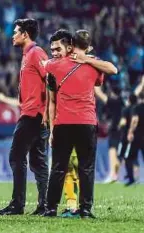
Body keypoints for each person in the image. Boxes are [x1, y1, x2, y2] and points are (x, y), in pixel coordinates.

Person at [46, 29, 118, 217]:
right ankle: (86, 209)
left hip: (63, 123)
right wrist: (87, 59)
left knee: (58, 167)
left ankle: (50, 208)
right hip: (86, 122)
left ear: (70, 46)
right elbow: (111, 71)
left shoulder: (56, 65)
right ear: (89, 46)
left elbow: (45, 66)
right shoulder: (94, 66)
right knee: (86, 167)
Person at [0, 18, 49, 216]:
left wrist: (47, 110)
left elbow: (51, 79)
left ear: (25, 34)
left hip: (34, 115)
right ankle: (44, 205)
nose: (13, 35)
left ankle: (18, 204)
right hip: (34, 113)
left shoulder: (36, 53)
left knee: (17, 156)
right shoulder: (28, 54)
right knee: (37, 160)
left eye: (16, 32)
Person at [125, 91, 144, 186]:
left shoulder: (137, 107)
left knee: (131, 157)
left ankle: (133, 178)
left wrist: (130, 132)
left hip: (137, 137)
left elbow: (135, 120)